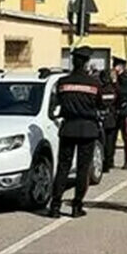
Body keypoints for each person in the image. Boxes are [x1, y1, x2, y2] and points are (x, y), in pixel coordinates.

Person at [48, 46, 105, 218]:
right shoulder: (94, 83)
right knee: (83, 169)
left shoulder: (62, 82)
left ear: (73, 62)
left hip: (68, 128)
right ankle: (76, 206)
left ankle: (55, 206)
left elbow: (57, 102)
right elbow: (101, 105)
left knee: (63, 168)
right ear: (87, 63)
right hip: (87, 129)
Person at [99, 66, 121, 174]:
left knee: (103, 143)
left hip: (102, 118)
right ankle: (109, 161)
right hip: (112, 118)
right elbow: (120, 98)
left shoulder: (100, 90)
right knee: (111, 142)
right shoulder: (114, 89)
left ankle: (105, 163)